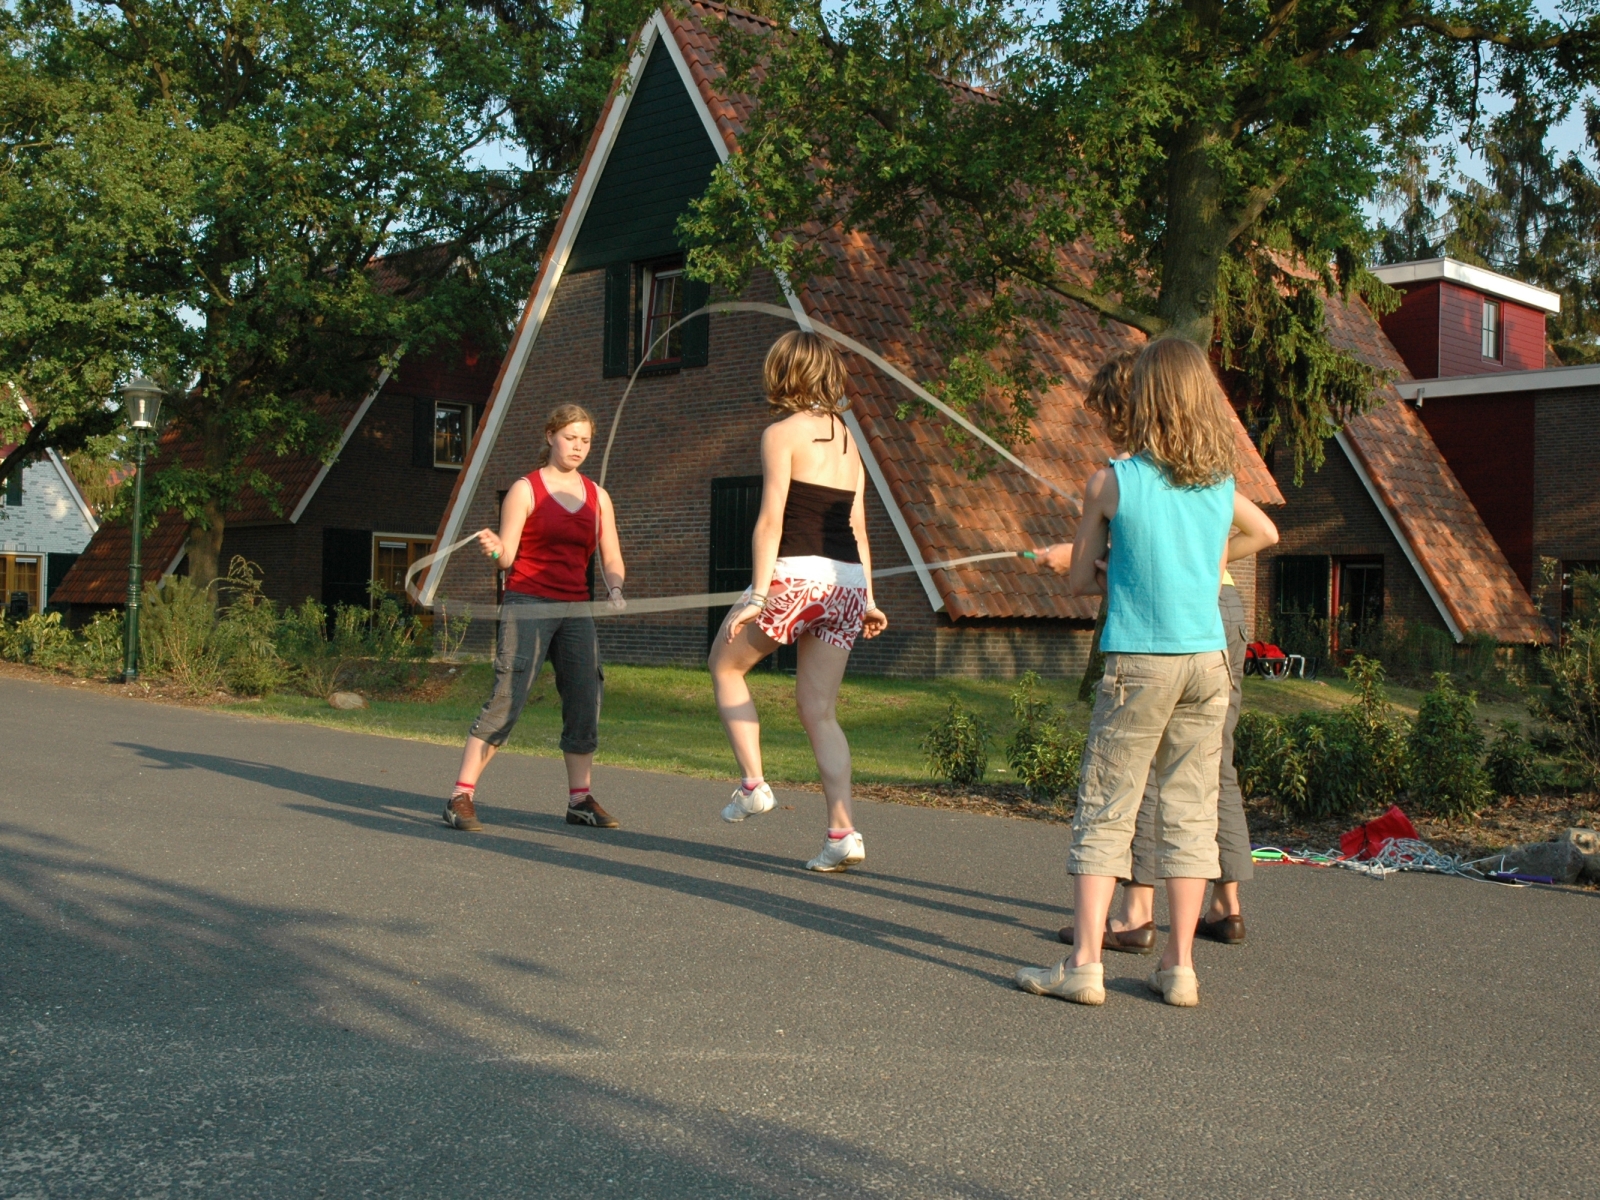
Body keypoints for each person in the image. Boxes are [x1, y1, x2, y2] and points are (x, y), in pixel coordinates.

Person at [1016, 337, 1245, 1008]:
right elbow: (1222, 554)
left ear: (1146, 397)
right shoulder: (1222, 484)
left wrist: (1100, 567)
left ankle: (1085, 965)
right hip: (1207, 663)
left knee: (1107, 807)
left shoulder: (1111, 482)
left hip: (1141, 661)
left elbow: (1079, 582)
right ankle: (1180, 968)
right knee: (1190, 813)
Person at [709, 331, 889, 871]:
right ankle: (842, 833)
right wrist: (869, 598)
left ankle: (753, 785)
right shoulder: (849, 441)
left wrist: (759, 594)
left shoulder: (781, 434)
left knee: (724, 665)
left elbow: (770, 521)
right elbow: (858, 527)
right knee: (820, 712)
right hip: (846, 583)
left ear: (783, 373)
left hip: (797, 576)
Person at [442, 403, 627, 832]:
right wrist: (494, 549)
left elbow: (611, 557)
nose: (578, 447)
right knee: (509, 695)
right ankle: (460, 796)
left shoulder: (598, 497)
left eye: (585, 441)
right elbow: (507, 557)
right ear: (550, 437)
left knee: (585, 697)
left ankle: (579, 800)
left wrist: (615, 588)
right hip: (527, 602)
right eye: (570, 438)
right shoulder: (525, 490)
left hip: (576, 608)